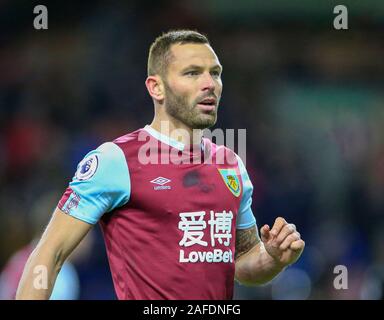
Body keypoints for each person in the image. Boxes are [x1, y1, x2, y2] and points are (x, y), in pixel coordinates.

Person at [16, 29, 305, 300]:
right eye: (192, 73)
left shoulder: (230, 165)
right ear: (157, 87)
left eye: (215, 73)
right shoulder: (116, 160)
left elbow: (242, 264)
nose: (210, 84)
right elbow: (48, 254)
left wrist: (274, 258)